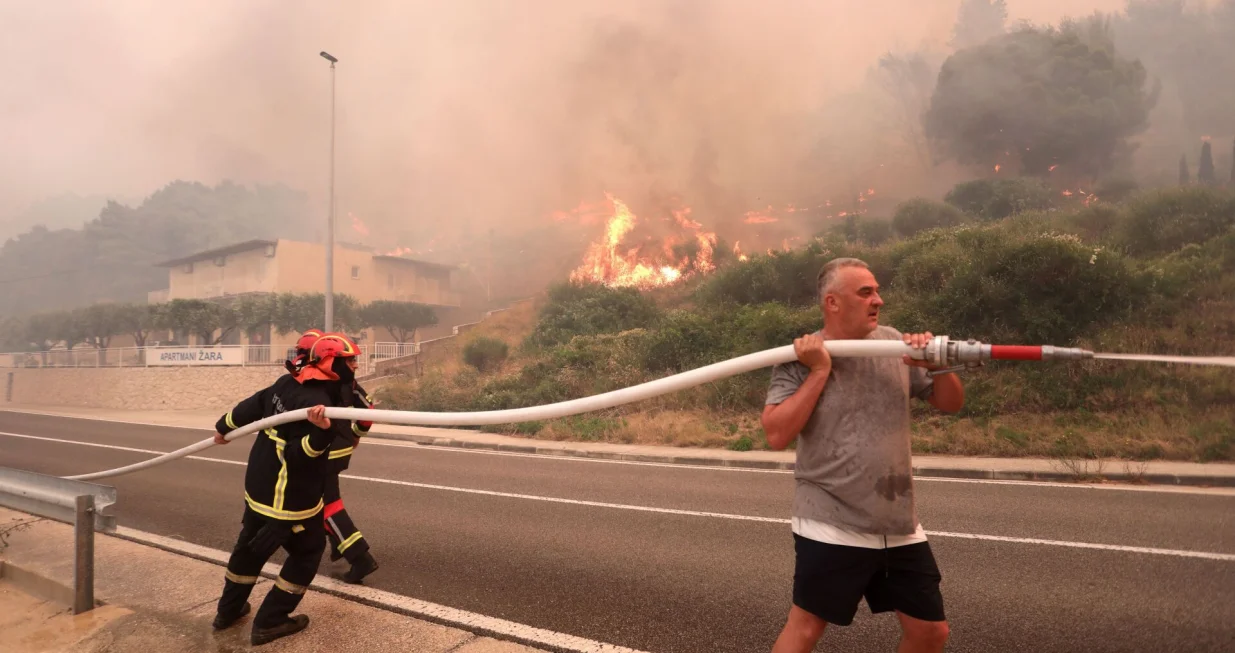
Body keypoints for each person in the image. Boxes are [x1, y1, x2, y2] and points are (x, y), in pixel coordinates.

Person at [762, 257, 965, 653]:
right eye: (866, 292)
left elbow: (951, 403)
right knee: (805, 628)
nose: (879, 300)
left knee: (930, 632)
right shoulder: (801, 357)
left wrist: (937, 366)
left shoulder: (894, 343)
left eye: (877, 290)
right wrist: (819, 371)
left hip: (897, 519)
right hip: (831, 518)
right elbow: (776, 433)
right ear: (833, 302)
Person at [209, 333, 362, 646]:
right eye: (350, 360)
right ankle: (271, 621)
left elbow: (253, 404)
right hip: (288, 499)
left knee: (249, 551)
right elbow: (298, 456)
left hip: (259, 490)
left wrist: (224, 427)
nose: (356, 366)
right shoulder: (318, 402)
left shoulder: (286, 382)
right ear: (331, 363)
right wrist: (322, 433)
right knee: (307, 553)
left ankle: (228, 612)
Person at [299, 333, 381, 584]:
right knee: (325, 499)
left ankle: (359, 558)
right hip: (341, 448)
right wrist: (356, 434)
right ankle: (338, 546)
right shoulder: (349, 383)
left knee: (327, 506)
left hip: (321, 451)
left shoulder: (311, 384)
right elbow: (367, 413)